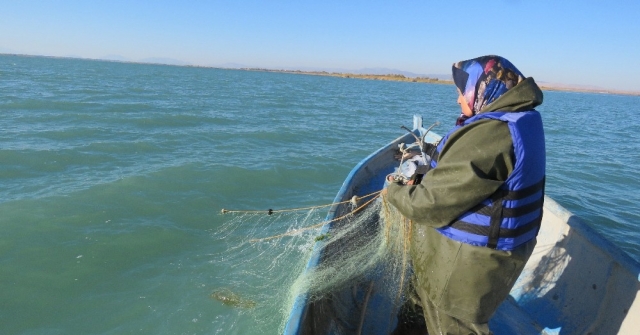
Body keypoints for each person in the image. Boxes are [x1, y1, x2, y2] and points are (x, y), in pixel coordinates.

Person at [386, 55, 545, 335]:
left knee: (453, 325)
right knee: (418, 307)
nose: (458, 100)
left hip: (466, 265)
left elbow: (429, 204)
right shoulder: (522, 118)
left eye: (462, 92)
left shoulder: (491, 133)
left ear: (483, 89)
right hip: (485, 254)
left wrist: (394, 191)